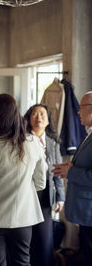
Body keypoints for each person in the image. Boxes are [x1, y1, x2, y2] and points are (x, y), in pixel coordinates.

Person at [0, 94, 46, 266]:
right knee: (22, 262)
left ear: (0, 114)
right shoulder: (33, 141)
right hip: (24, 218)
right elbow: (41, 183)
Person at [53, 91, 92, 263]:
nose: (77, 112)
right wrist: (71, 167)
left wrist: (71, 172)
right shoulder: (88, 133)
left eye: (80, 108)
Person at [24, 104, 65, 266]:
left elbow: (58, 171)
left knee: (44, 238)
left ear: (48, 121)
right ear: (28, 118)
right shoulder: (22, 139)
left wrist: (61, 198)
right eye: (34, 114)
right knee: (27, 235)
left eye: (42, 114)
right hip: (26, 192)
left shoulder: (52, 143)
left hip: (46, 194)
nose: (38, 117)